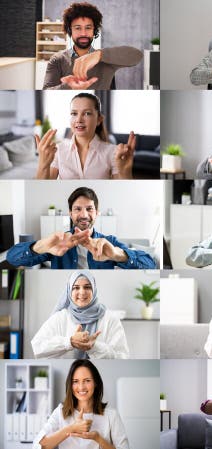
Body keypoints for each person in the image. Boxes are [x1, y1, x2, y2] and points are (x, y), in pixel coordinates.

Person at [6, 187, 156, 269]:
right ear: (70, 214)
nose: (84, 215)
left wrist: (117, 254)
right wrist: (41, 246)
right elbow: (12, 258)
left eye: (89, 209)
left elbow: (150, 264)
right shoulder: (59, 243)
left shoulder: (109, 242)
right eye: (78, 209)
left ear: (97, 213)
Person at [35, 93, 136, 180]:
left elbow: (121, 193)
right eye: (74, 113)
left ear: (99, 120)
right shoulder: (58, 150)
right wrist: (43, 164)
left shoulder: (112, 152)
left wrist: (125, 173)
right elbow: (42, 190)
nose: (79, 119)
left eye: (87, 113)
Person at [32, 270, 130, 359]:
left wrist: (94, 347)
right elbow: (37, 347)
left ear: (94, 290)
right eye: (76, 288)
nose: (82, 292)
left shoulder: (110, 319)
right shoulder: (60, 318)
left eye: (87, 287)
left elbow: (122, 357)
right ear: (69, 291)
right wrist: (69, 342)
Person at [44, 2, 143, 90]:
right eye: (78, 28)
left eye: (88, 28)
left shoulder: (106, 59)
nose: (83, 33)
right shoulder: (57, 59)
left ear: (94, 30)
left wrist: (98, 55)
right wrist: (70, 86)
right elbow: (46, 90)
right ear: (70, 30)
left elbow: (137, 55)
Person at [34, 360, 129, 449]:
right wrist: (72, 428)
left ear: (95, 383)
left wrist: (98, 438)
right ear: (70, 385)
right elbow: (38, 445)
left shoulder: (111, 415)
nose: (81, 387)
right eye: (75, 381)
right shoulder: (61, 412)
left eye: (87, 381)